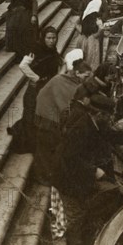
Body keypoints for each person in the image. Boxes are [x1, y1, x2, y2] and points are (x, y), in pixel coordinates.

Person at [52, 92, 123, 245]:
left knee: (85, 211)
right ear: (98, 114)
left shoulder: (97, 123)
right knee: (76, 215)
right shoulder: (80, 128)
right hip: (66, 177)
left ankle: (85, 242)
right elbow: (69, 158)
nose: (111, 119)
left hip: (79, 174)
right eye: (108, 115)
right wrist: (94, 171)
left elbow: (113, 135)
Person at [34, 49, 92, 185]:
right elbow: (67, 105)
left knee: (50, 147)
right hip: (46, 116)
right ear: (77, 73)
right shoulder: (62, 81)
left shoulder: (72, 81)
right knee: (45, 148)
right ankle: (43, 177)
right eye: (86, 76)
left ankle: (49, 175)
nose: (88, 79)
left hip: (51, 115)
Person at [8, 26, 63, 153]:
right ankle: (30, 144)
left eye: (54, 38)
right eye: (48, 38)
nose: (51, 41)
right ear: (43, 38)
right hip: (35, 90)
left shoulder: (53, 51)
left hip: (47, 88)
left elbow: (57, 62)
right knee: (31, 116)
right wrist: (37, 78)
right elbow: (23, 65)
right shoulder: (35, 50)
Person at [77, 0, 105, 72]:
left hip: (83, 39)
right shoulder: (97, 19)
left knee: (85, 57)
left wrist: (82, 33)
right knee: (92, 59)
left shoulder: (85, 16)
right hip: (92, 41)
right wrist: (98, 32)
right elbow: (100, 31)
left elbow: (76, 25)